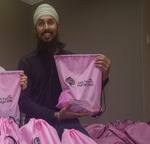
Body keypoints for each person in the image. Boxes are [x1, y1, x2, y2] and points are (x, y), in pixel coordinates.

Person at [17, 4, 111, 137]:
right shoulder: (26, 62)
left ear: (58, 26)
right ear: (35, 29)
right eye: (41, 23)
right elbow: (23, 102)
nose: (46, 27)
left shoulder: (71, 60)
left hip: (68, 123)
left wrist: (104, 75)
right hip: (37, 124)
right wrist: (55, 115)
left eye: (50, 22)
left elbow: (85, 91)